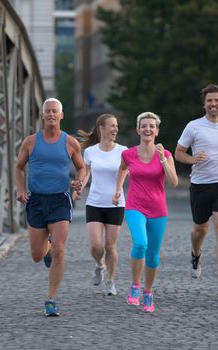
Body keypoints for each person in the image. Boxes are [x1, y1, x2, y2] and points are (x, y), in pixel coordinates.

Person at [14, 98, 86, 316]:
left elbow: (81, 168)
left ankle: (51, 299)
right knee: (37, 255)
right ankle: (45, 249)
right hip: (36, 201)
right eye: (48, 112)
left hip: (60, 200)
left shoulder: (70, 142)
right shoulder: (30, 142)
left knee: (59, 249)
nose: (52, 115)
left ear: (61, 115)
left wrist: (79, 182)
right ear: (43, 116)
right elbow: (18, 167)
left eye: (55, 111)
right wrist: (20, 190)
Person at [174, 84, 218, 296]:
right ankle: (196, 254)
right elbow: (178, 153)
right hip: (201, 185)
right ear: (204, 103)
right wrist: (193, 159)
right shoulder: (194, 126)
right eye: (210, 100)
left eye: (217, 100)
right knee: (200, 230)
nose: (213, 104)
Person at [112, 112, 178, 313]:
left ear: (157, 130)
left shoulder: (165, 154)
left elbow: (174, 182)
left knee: (153, 256)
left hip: (158, 210)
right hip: (135, 207)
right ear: (138, 129)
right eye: (144, 126)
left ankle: (148, 292)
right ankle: (135, 286)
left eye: (152, 126)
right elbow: (122, 169)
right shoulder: (128, 154)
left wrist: (163, 160)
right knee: (140, 243)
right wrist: (118, 190)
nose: (148, 129)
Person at [73, 114, 128, 296]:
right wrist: (79, 186)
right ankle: (99, 265)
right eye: (111, 126)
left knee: (111, 246)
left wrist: (119, 190)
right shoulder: (90, 152)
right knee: (96, 245)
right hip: (95, 202)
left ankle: (111, 281)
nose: (115, 129)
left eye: (116, 126)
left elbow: (126, 172)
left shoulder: (123, 151)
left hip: (116, 204)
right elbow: (86, 172)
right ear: (101, 128)